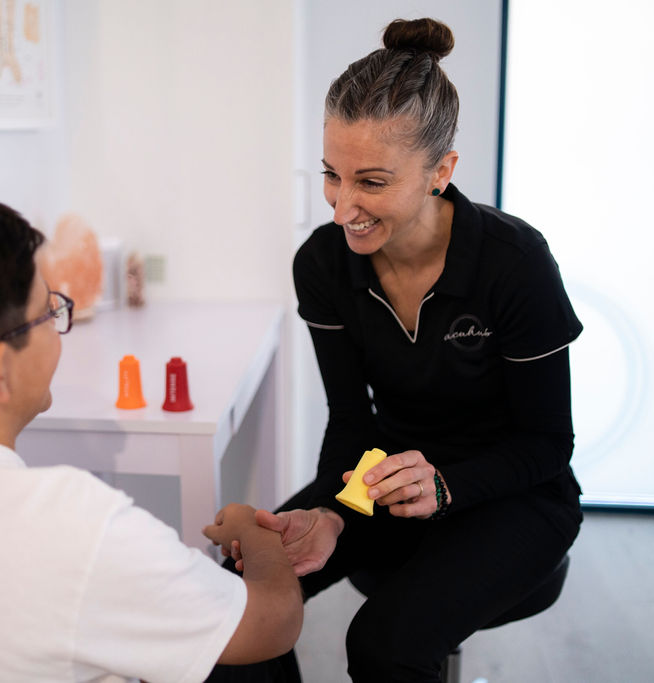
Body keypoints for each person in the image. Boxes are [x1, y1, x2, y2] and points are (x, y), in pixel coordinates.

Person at [216, 17, 583, 683]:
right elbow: (354, 423)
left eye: (372, 182)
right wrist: (332, 511)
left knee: (384, 644)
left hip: (515, 493)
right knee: (230, 603)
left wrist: (447, 485)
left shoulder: (514, 262)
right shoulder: (324, 265)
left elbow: (546, 444)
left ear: (441, 170)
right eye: (333, 174)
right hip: (383, 480)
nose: (342, 207)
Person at [0, 198, 303, 682]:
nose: (59, 324)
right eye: (47, 311)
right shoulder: (79, 528)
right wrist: (250, 529)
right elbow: (275, 623)